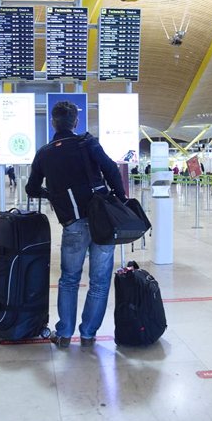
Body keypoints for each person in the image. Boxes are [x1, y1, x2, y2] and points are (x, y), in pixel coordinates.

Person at [26, 101, 126, 349]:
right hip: (102, 220)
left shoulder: (44, 153)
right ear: (75, 122)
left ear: (53, 122)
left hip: (72, 223)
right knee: (100, 281)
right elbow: (111, 169)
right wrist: (121, 199)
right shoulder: (87, 142)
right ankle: (89, 334)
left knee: (69, 279)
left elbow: (31, 188)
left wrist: (52, 194)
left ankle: (64, 334)